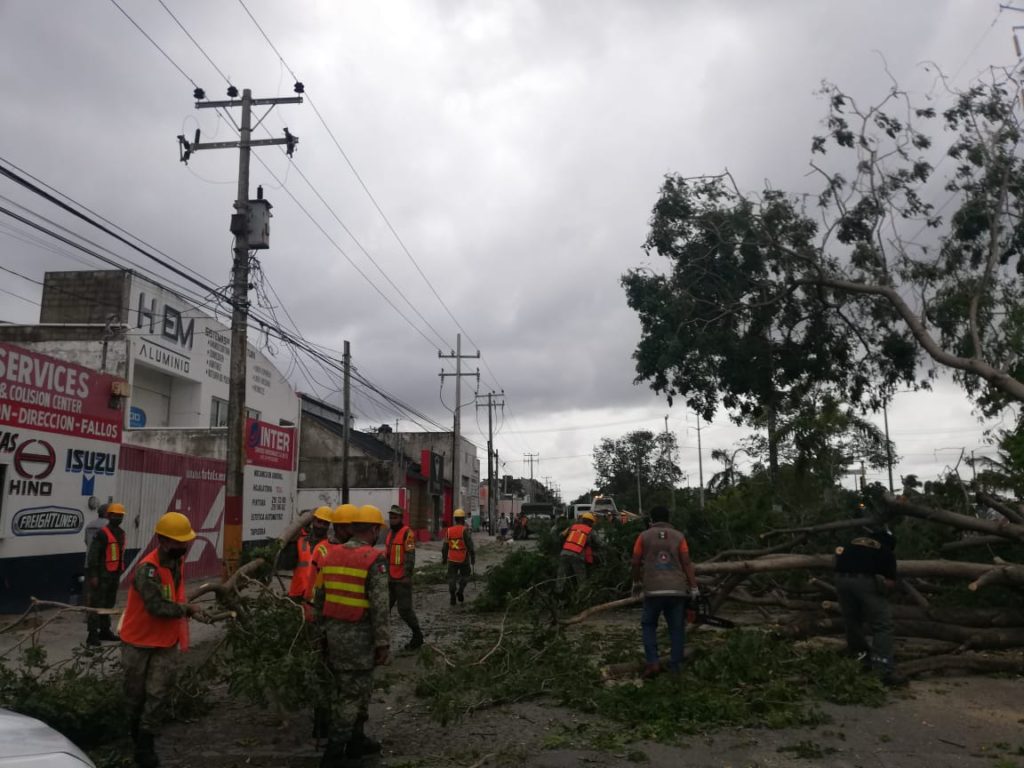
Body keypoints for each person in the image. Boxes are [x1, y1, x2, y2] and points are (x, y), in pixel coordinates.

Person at [119, 511, 200, 768]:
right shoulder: (147, 571)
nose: (183, 547)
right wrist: (186, 610)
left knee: (157, 693)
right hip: (138, 642)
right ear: (163, 541)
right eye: (179, 542)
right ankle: (133, 737)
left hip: (165, 642)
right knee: (135, 696)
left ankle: (145, 743)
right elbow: (156, 607)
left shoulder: (176, 564)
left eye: (185, 542)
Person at [313, 504, 390, 765]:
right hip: (359, 638)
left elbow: (319, 597)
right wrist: (383, 643)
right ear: (373, 529)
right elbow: (380, 606)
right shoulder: (373, 558)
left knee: (359, 691)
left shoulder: (330, 555)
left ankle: (357, 741)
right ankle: (333, 754)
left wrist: (320, 635)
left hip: (334, 634)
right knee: (351, 696)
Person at [630, 505, 699, 678]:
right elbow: (686, 563)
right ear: (669, 519)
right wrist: (694, 587)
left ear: (651, 520)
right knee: (676, 629)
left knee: (648, 625)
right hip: (677, 590)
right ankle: (676, 668)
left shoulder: (643, 536)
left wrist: (636, 581)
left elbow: (635, 561)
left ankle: (653, 663)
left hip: (653, 590)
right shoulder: (679, 537)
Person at [835, 524, 901, 685]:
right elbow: (890, 582)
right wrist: (885, 592)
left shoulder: (852, 543)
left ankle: (859, 660)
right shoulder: (884, 550)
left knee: (852, 621)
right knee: (882, 625)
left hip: (840, 580)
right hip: (865, 582)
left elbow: (836, 560)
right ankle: (883, 669)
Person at [85, 501, 126, 645]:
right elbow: (93, 555)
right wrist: (94, 575)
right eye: (116, 515)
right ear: (109, 516)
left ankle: (105, 630)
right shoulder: (102, 533)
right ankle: (92, 634)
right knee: (96, 604)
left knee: (108, 604)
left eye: (121, 516)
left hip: (113, 575)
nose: (119, 518)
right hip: (101, 575)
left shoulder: (121, 533)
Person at [384, 504, 424, 650]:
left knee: (404, 610)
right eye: (391, 517)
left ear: (401, 518)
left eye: (395, 517)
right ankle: (382, 638)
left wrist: (407, 575)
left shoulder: (407, 533)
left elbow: (410, 555)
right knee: (383, 608)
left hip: (401, 579)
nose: (392, 520)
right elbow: (388, 554)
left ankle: (417, 635)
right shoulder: (390, 534)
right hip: (390, 578)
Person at [288, 506, 334, 606]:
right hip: (297, 592)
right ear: (313, 522)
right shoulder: (299, 540)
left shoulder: (331, 546)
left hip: (316, 597)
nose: (321, 526)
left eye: (325, 523)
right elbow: (287, 564)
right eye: (319, 521)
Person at [556, 512, 602, 593]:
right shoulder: (590, 530)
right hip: (577, 555)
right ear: (590, 522)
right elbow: (599, 543)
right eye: (592, 523)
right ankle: (581, 596)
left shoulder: (572, 527)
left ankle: (558, 593)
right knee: (581, 578)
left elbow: (561, 536)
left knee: (561, 576)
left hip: (564, 553)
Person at [442, 509, 475, 605]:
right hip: (463, 557)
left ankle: (452, 595)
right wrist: (473, 557)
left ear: (455, 519)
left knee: (451, 578)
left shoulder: (449, 531)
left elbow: (445, 547)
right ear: (463, 519)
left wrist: (444, 559)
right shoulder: (464, 530)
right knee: (465, 575)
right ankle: (460, 590)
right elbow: (470, 545)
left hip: (451, 558)